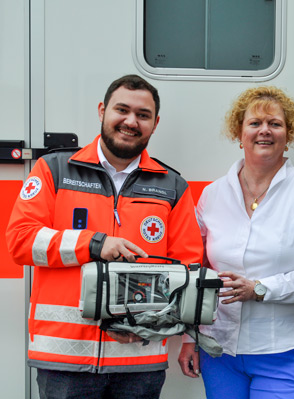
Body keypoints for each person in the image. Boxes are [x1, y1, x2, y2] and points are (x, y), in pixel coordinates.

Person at [6, 74, 204, 399]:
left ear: (155, 124)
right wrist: (94, 244)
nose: (130, 121)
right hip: (65, 360)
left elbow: (188, 270)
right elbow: (20, 241)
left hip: (139, 358)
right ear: (102, 111)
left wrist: (150, 326)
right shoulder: (53, 169)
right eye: (121, 110)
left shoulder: (173, 187)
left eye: (142, 115)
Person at [177, 86, 294, 398]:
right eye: (255, 123)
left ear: (288, 135)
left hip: (283, 351)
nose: (264, 130)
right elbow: (195, 269)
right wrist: (188, 337)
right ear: (240, 133)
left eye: (275, 124)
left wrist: (260, 289)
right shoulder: (212, 195)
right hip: (218, 349)